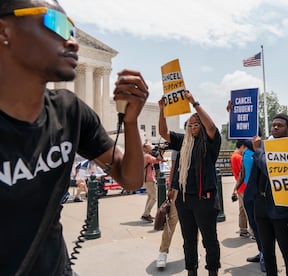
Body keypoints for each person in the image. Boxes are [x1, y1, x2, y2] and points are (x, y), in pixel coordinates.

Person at [0, 1, 148, 275]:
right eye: (55, 24)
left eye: (73, 31)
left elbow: (130, 179)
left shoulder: (70, 112)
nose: (73, 42)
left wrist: (130, 122)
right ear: (4, 30)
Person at [158, 91, 221, 276]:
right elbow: (163, 132)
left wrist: (194, 102)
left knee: (209, 240)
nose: (193, 127)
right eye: (190, 125)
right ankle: (191, 270)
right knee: (189, 240)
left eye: (196, 124)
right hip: (184, 200)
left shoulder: (210, 143)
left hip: (204, 199)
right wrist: (162, 110)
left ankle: (212, 271)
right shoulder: (183, 142)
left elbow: (211, 127)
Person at [251, 113, 288, 276]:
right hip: (262, 204)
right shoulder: (263, 146)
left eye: (280, 125)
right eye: (274, 125)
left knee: (287, 251)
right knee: (267, 251)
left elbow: (270, 170)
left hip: (281, 207)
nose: (276, 127)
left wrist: (258, 152)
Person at [240, 139, 266, 272]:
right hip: (248, 194)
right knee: (255, 227)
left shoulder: (264, 151)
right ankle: (261, 251)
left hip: (261, 195)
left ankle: (266, 257)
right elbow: (243, 172)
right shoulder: (245, 152)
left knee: (263, 229)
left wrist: (259, 151)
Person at [156, 149, 179, 268]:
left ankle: (192, 251)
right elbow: (174, 169)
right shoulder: (179, 145)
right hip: (178, 188)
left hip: (194, 189)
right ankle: (163, 251)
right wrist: (170, 188)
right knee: (171, 220)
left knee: (193, 222)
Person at [230, 139, 250, 238]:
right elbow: (243, 172)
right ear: (242, 146)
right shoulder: (239, 157)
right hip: (244, 185)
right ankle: (252, 231)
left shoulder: (234, 156)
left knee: (242, 209)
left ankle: (243, 229)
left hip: (240, 186)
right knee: (248, 209)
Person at [142, 142, 163, 223]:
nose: (151, 149)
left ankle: (147, 213)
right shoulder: (147, 156)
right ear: (145, 148)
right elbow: (158, 161)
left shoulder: (143, 155)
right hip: (149, 178)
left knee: (150, 197)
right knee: (154, 198)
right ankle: (145, 215)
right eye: (149, 147)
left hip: (146, 178)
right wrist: (161, 151)